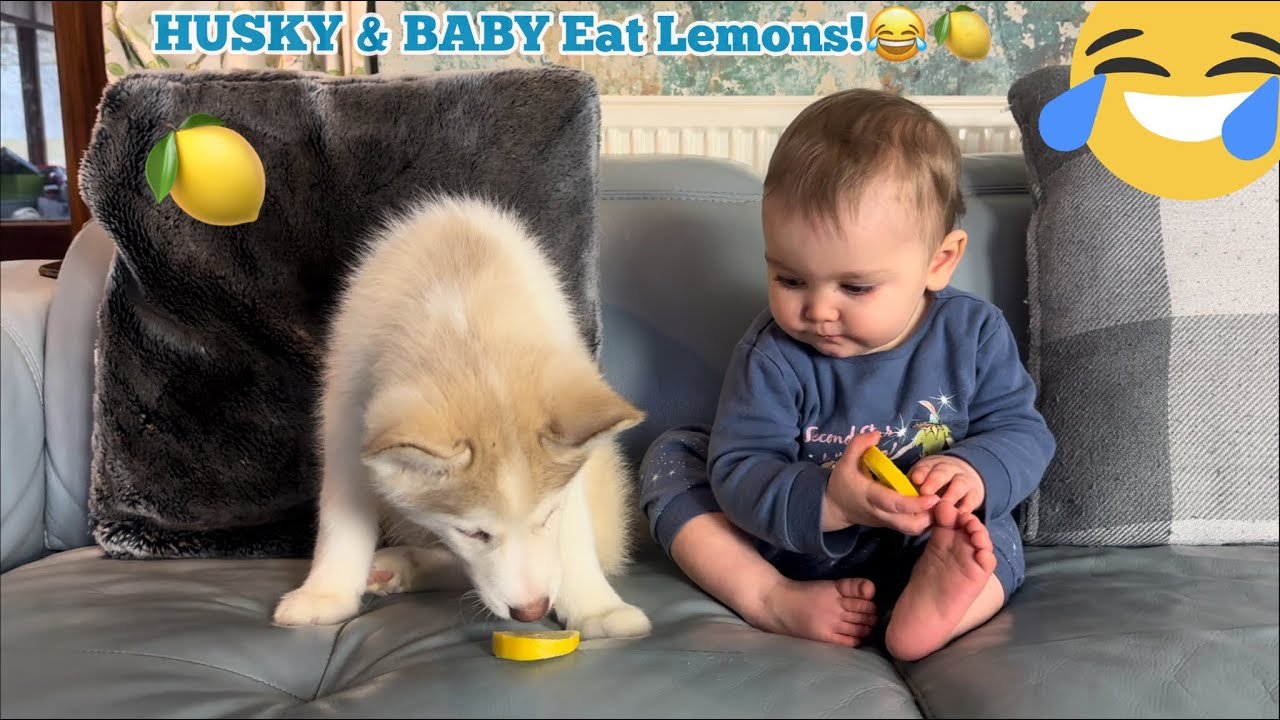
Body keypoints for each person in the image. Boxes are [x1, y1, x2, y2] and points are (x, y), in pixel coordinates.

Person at [638, 89, 1056, 662]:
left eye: (855, 287)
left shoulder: (974, 332)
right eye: (790, 279)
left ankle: (940, 609)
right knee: (675, 458)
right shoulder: (774, 354)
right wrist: (833, 502)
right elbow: (741, 471)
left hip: (929, 537)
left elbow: (1023, 432)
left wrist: (972, 472)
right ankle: (770, 599)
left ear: (939, 261)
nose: (817, 310)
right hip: (795, 546)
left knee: (990, 535)